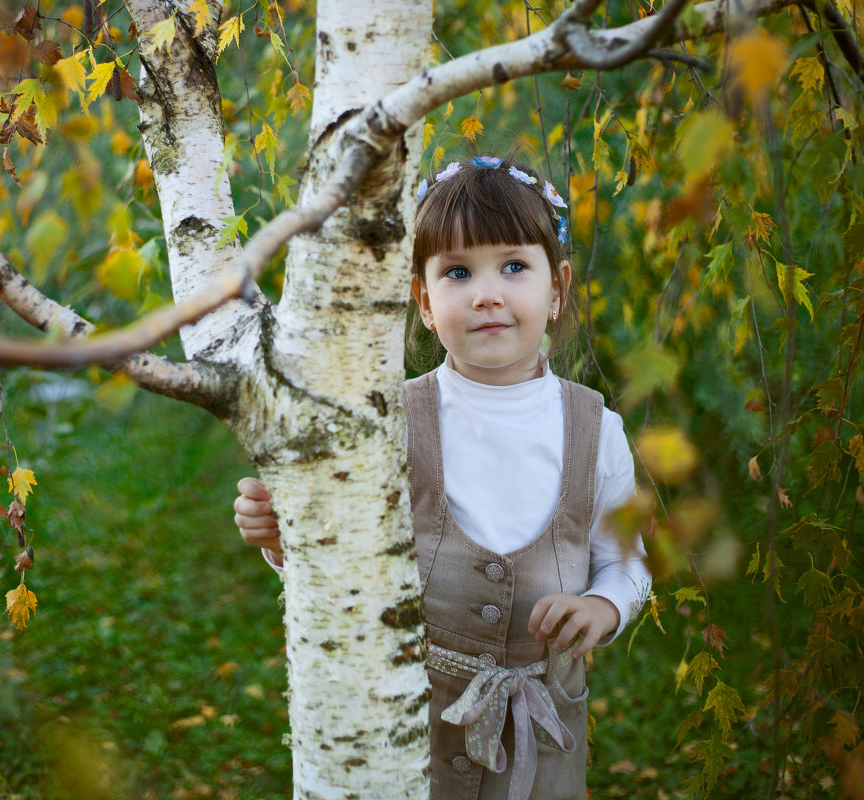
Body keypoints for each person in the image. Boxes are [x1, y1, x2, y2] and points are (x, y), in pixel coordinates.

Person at [233, 156, 652, 800]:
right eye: (458, 272)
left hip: (539, 742)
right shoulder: (388, 420)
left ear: (558, 287)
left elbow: (626, 564)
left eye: (514, 266)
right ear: (425, 301)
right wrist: (282, 539)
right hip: (406, 727)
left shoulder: (597, 431)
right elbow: (345, 562)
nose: (487, 293)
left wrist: (604, 605)